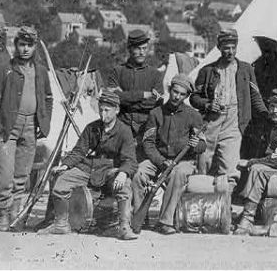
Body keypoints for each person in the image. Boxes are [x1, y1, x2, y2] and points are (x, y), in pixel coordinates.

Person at [37, 90, 138, 240]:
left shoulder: (124, 131)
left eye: (107, 110)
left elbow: (130, 160)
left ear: (117, 110)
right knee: (61, 184)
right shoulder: (92, 128)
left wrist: (123, 173)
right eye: (101, 110)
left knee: (124, 186)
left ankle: (124, 227)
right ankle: (61, 224)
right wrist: (66, 165)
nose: (103, 114)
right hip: (89, 167)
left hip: (111, 169)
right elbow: (79, 151)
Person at [0, 26, 53, 231]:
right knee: (4, 176)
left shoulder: (41, 71)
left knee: (22, 176)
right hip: (7, 128)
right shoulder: (4, 69)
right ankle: (3, 214)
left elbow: (48, 98)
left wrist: (44, 122)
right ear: (16, 45)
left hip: (31, 127)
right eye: (22, 44)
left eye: (29, 45)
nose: (25, 49)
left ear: (35, 47)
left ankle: (15, 214)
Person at [190, 29, 268, 186]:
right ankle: (203, 199)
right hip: (210, 124)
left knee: (230, 169)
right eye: (226, 48)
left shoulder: (246, 69)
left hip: (234, 122)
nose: (230, 52)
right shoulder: (207, 71)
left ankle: (226, 200)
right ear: (219, 48)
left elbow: (255, 97)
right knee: (204, 166)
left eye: (233, 47)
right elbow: (194, 97)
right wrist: (207, 104)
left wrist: (266, 115)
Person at [131, 74, 206, 235]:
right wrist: (161, 161)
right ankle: (139, 217)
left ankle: (165, 222)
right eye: (175, 92)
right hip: (158, 160)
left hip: (183, 162)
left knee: (177, 173)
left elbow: (203, 145)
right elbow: (148, 143)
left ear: (186, 96)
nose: (177, 96)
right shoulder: (156, 113)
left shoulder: (193, 115)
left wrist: (196, 145)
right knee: (138, 173)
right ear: (170, 90)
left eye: (182, 94)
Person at [234, 88, 277, 235]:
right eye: (272, 106)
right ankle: (245, 211)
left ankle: (247, 218)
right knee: (251, 168)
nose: (274, 110)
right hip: (275, 168)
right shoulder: (271, 124)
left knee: (257, 169)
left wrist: (251, 162)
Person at [107, 29, 163, 158]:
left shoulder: (155, 74)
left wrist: (124, 98)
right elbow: (112, 99)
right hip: (122, 125)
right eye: (138, 48)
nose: (142, 52)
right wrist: (142, 95)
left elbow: (155, 103)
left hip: (146, 127)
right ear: (129, 49)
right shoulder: (118, 71)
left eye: (144, 48)